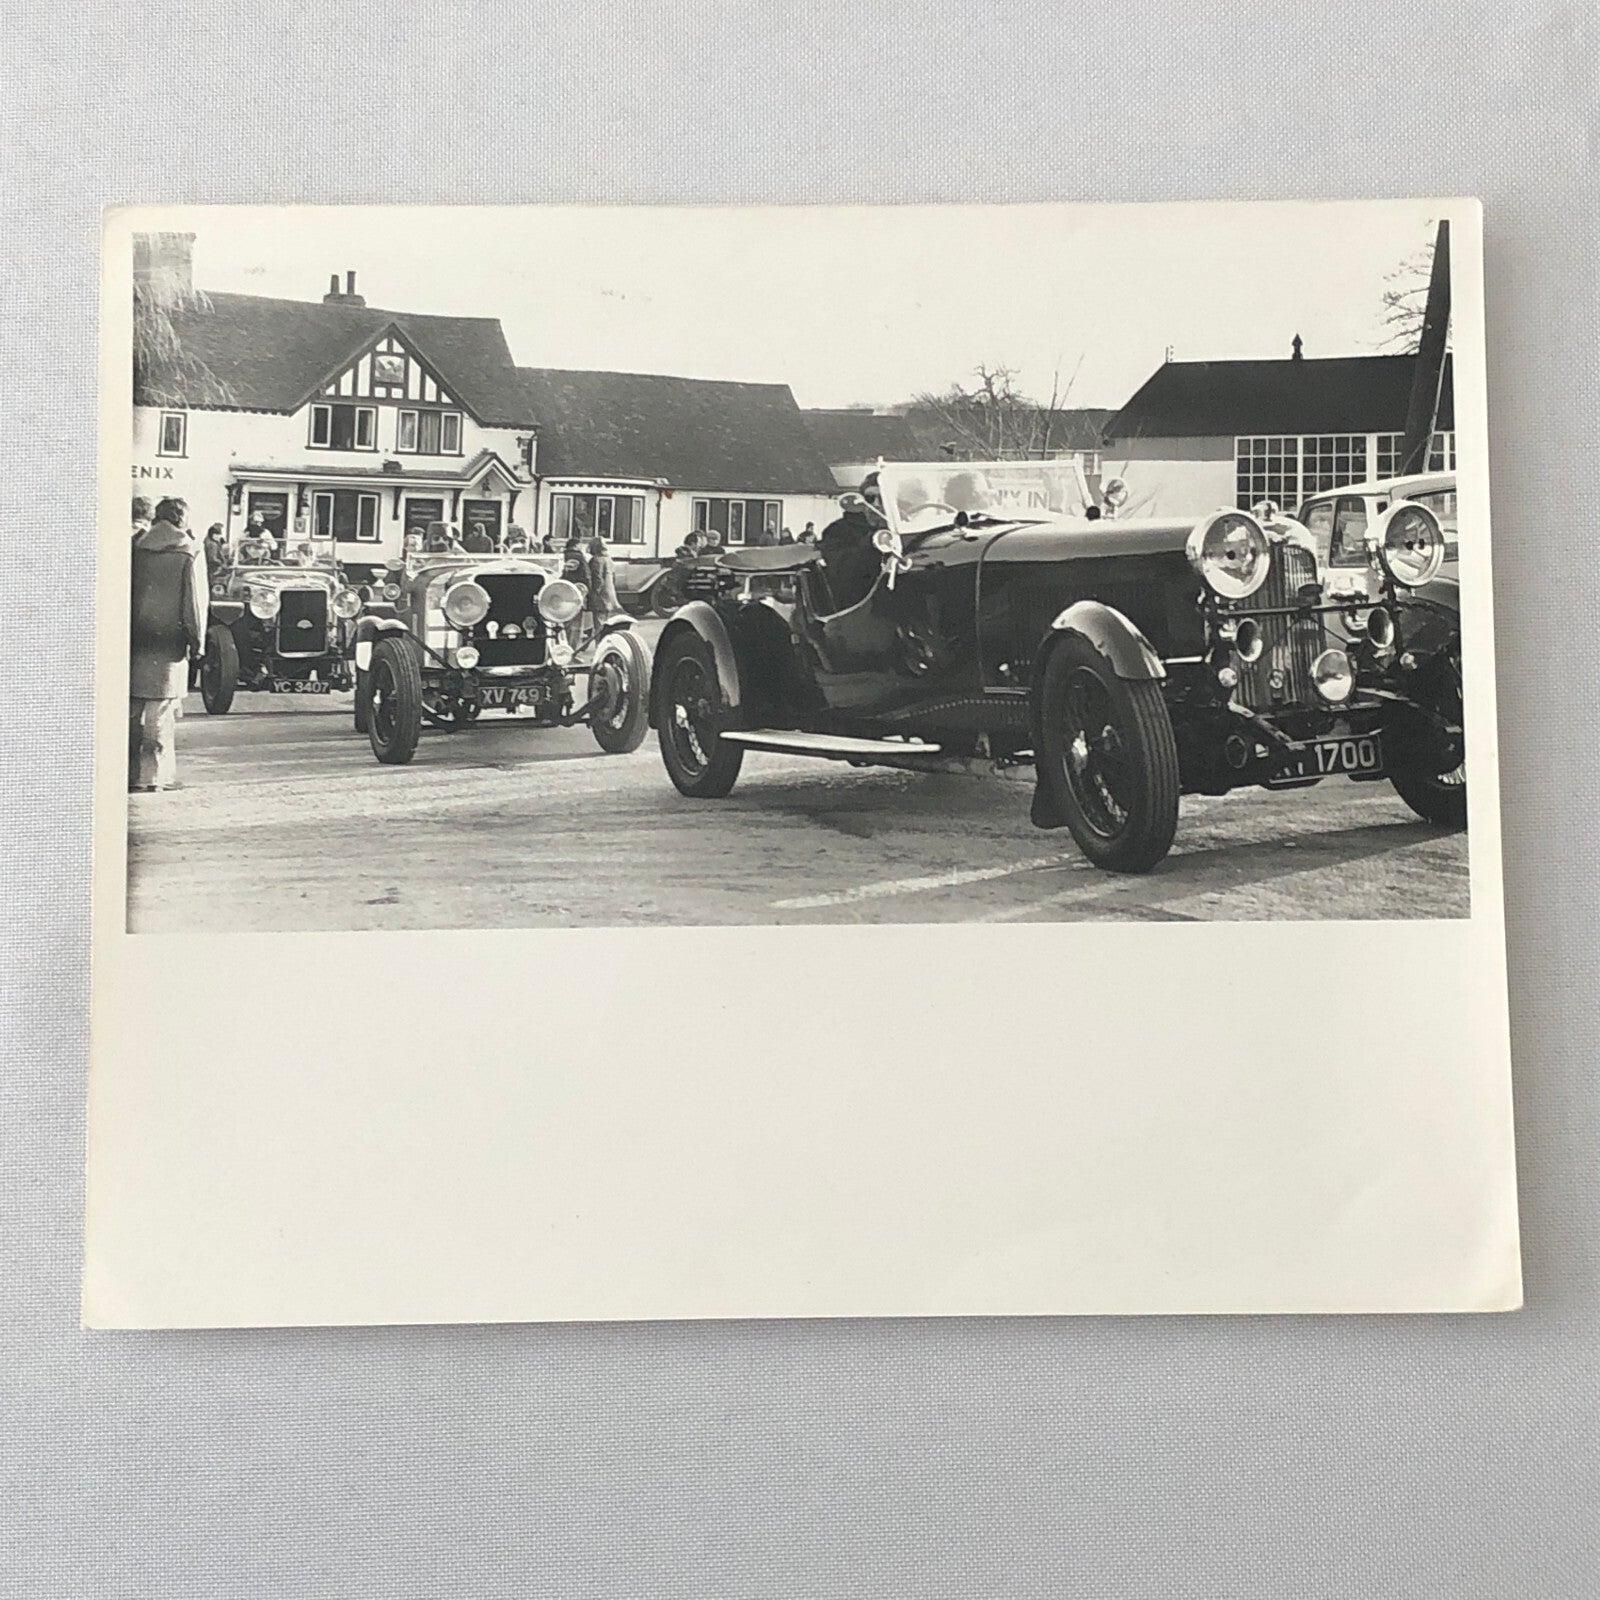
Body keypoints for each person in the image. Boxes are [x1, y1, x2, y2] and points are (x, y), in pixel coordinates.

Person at [129, 498, 206, 793]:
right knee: (161, 712)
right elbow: (194, 605)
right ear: (181, 519)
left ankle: (129, 774)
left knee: (133, 710)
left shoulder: (136, 548)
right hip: (168, 643)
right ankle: (155, 777)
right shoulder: (188, 552)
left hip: (135, 640)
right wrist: (197, 642)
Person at [818, 476, 888, 612]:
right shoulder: (839, 531)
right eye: (870, 498)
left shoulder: (910, 528)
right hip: (857, 608)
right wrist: (872, 542)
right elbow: (844, 571)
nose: (877, 504)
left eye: (884, 498)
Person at [586, 536, 622, 628]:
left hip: (599, 597)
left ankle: (599, 641)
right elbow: (613, 578)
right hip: (609, 595)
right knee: (605, 621)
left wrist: (592, 594)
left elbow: (597, 579)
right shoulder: (609, 559)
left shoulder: (596, 560)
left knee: (598, 623)